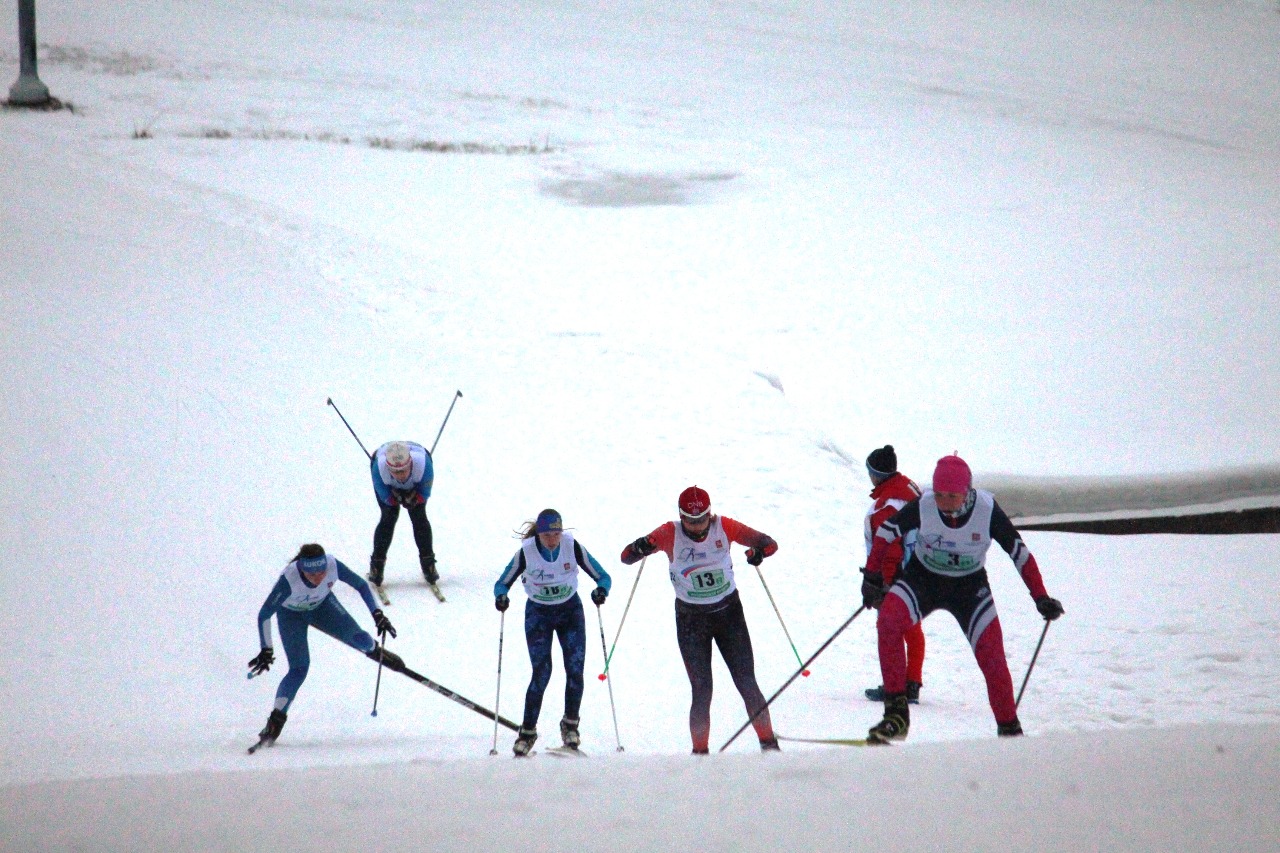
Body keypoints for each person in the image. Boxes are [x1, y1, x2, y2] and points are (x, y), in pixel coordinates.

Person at [860, 454, 1064, 744]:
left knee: (992, 656)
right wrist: (871, 577)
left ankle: (1009, 729)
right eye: (939, 494)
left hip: (969, 588)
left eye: (952, 496)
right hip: (923, 579)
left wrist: (1040, 596)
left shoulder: (986, 509)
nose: (944, 502)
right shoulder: (925, 504)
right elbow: (886, 532)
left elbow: (1019, 552)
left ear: (966, 492)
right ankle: (896, 715)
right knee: (888, 623)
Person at [620, 486, 781, 754]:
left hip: (729, 614)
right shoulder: (669, 533)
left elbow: (769, 543)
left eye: (701, 519)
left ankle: (769, 745)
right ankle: (700, 756)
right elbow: (626, 558)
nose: (696, 526)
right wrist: (640, 547)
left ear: (710, 514)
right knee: (702, 690)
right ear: (681, 516)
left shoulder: (724, 526)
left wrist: (759, 553)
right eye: (690, 520)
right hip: (691, 620)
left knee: (746, 682)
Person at [248, 543, 399, 747]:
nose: (318, 577)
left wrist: (377, 614)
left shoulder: (332, 564)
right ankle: (275, 722)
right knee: (299, 668)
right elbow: (265, 614)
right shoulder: (289, 579)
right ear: (302, 569)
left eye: (322, 572)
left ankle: (376, 651)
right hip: (291, 616)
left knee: (360, 638)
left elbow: (361, 585)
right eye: (312, 574)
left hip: (323, 607)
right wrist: (266, 648)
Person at [493, 509, 612, 756]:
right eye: (547, 535)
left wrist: (601, 590)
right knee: (542, 672)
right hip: (539, 615)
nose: (552, 540)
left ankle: (570, 725)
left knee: (575, 670)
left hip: (570, 612)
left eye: (556, 534)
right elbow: (502, 583)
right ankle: (527, 732)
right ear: (539, 533)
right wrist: (501, 596)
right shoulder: (526, 552)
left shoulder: (571, 546)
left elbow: (603, 576)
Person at [860, 445, 926, 705]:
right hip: (920, 570)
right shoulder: (909, 488)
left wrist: (881, 582)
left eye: (870, 472)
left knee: (889, 631)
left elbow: (889, 548)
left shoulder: (887, 507)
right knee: (912, 627)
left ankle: (895, 686)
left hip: (896, 575)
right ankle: (912, 684)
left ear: (877, 474)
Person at [368, 440, 438, 587]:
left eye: (403, 470)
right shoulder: (379, 468)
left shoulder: (423, 464)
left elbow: (425, 493)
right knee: (389, 517)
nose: (400, 475)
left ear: (411, 463)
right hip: (388, 486)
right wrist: (394, 499)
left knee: (419, 517)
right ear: (388, 468)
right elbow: (384, 495)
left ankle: (429, 564)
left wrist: (415, 499)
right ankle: (377, 566)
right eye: (395, 472)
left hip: (416, 483)